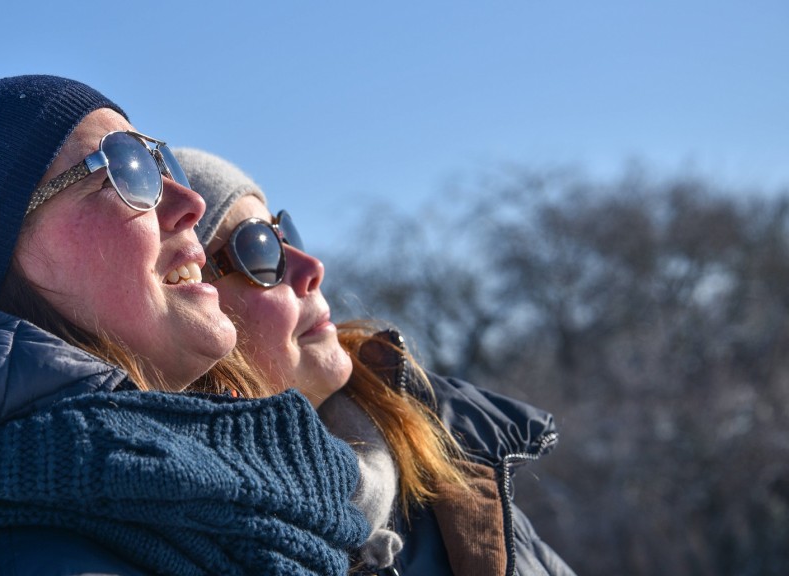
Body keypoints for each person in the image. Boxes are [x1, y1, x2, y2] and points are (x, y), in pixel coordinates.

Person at [0, 76, 368, 576]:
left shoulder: (182, 507)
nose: (188, 202)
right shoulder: (16, 559)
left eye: (165, 161)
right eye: (130, 168)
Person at [176, 147, 578, 576]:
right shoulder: (196, 540)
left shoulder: (443, 444)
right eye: (258, 249)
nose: (312, 267)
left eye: (286, 235)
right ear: (194, 307)